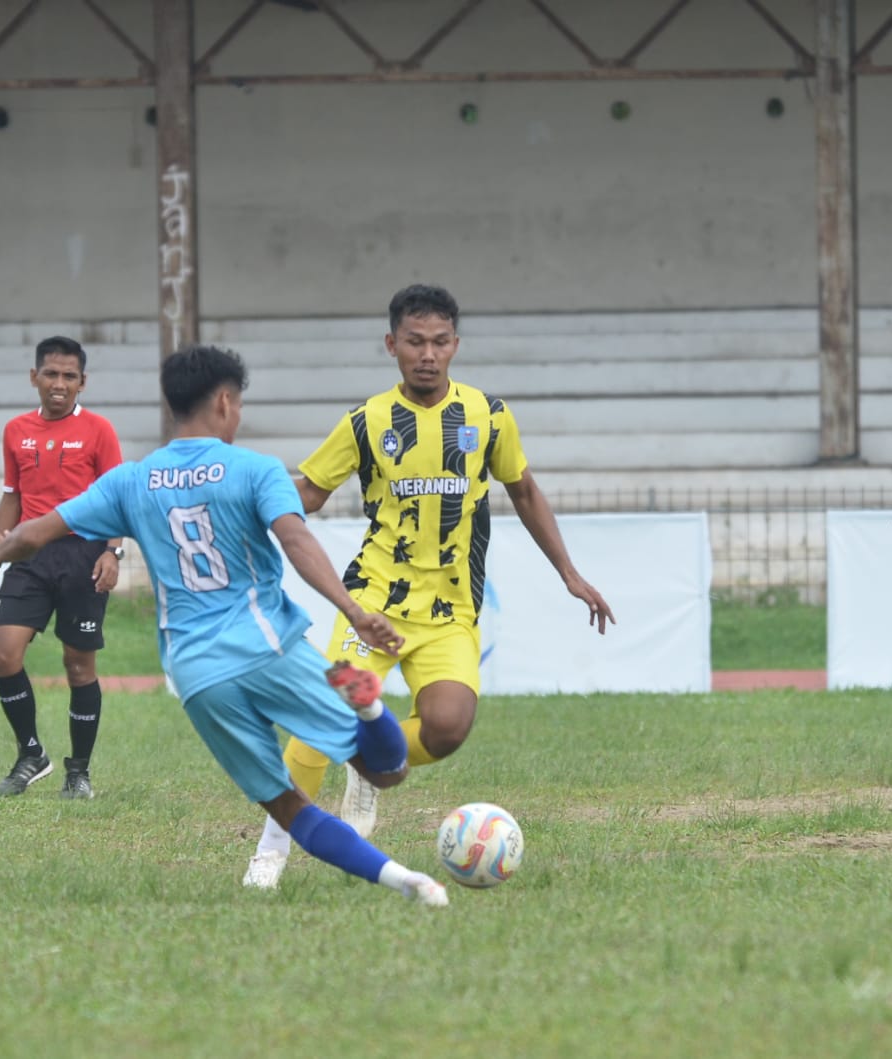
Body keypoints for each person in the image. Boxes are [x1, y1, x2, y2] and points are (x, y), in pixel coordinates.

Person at [0, 344, 449, 907]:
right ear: (224, 401)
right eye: (238, 404)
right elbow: (296, 540)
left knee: (288, 806)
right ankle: (367, 708)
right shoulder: (255, 469)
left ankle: (407, 883)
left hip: (196, 674)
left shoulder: (132, 480)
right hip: (266, 646)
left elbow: (37, 530)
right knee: (384, 770)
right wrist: (353, 609)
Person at [244, 283, 615, 889]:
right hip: (372, 606)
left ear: (456, 346)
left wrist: (571, 575)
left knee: (448, 727)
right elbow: (306, 494)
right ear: (391, 345)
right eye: (415, 341)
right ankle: (271, 850)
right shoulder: (366, 422)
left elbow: (523, 491)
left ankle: (367, 766)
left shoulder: (487, 416)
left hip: (449, 612)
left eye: (440, 342)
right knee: (321, 718)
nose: (428, 354)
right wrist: (252, 535)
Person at [0, 337, 124, 799]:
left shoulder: (100, 430)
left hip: (83, 554)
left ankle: (78, 773)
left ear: (82, 383)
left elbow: (118, 496)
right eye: (51, 374)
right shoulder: (15, 430)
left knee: (78, 665)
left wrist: (112, 553)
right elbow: (12, 497)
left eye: (69, 376)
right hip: (28, 553)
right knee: (5, 655)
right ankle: (31, 754)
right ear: (34, 377)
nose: (59, 384)